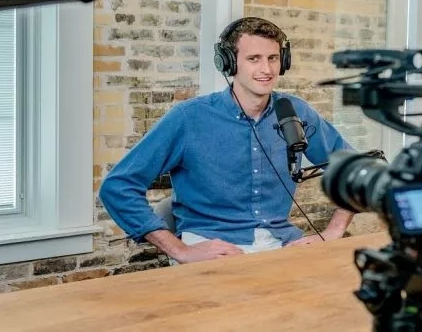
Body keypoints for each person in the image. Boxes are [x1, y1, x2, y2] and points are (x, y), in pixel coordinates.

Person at [99, 17, 356, 264]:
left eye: (273, 58)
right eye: (254, 59)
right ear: (229, 63)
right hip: (212, 247)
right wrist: (179, 250)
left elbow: (357, 171)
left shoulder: (295, 112)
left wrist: (332, 232)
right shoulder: (188, 118)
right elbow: (118, 186)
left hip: (282, 245)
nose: (266, 69)